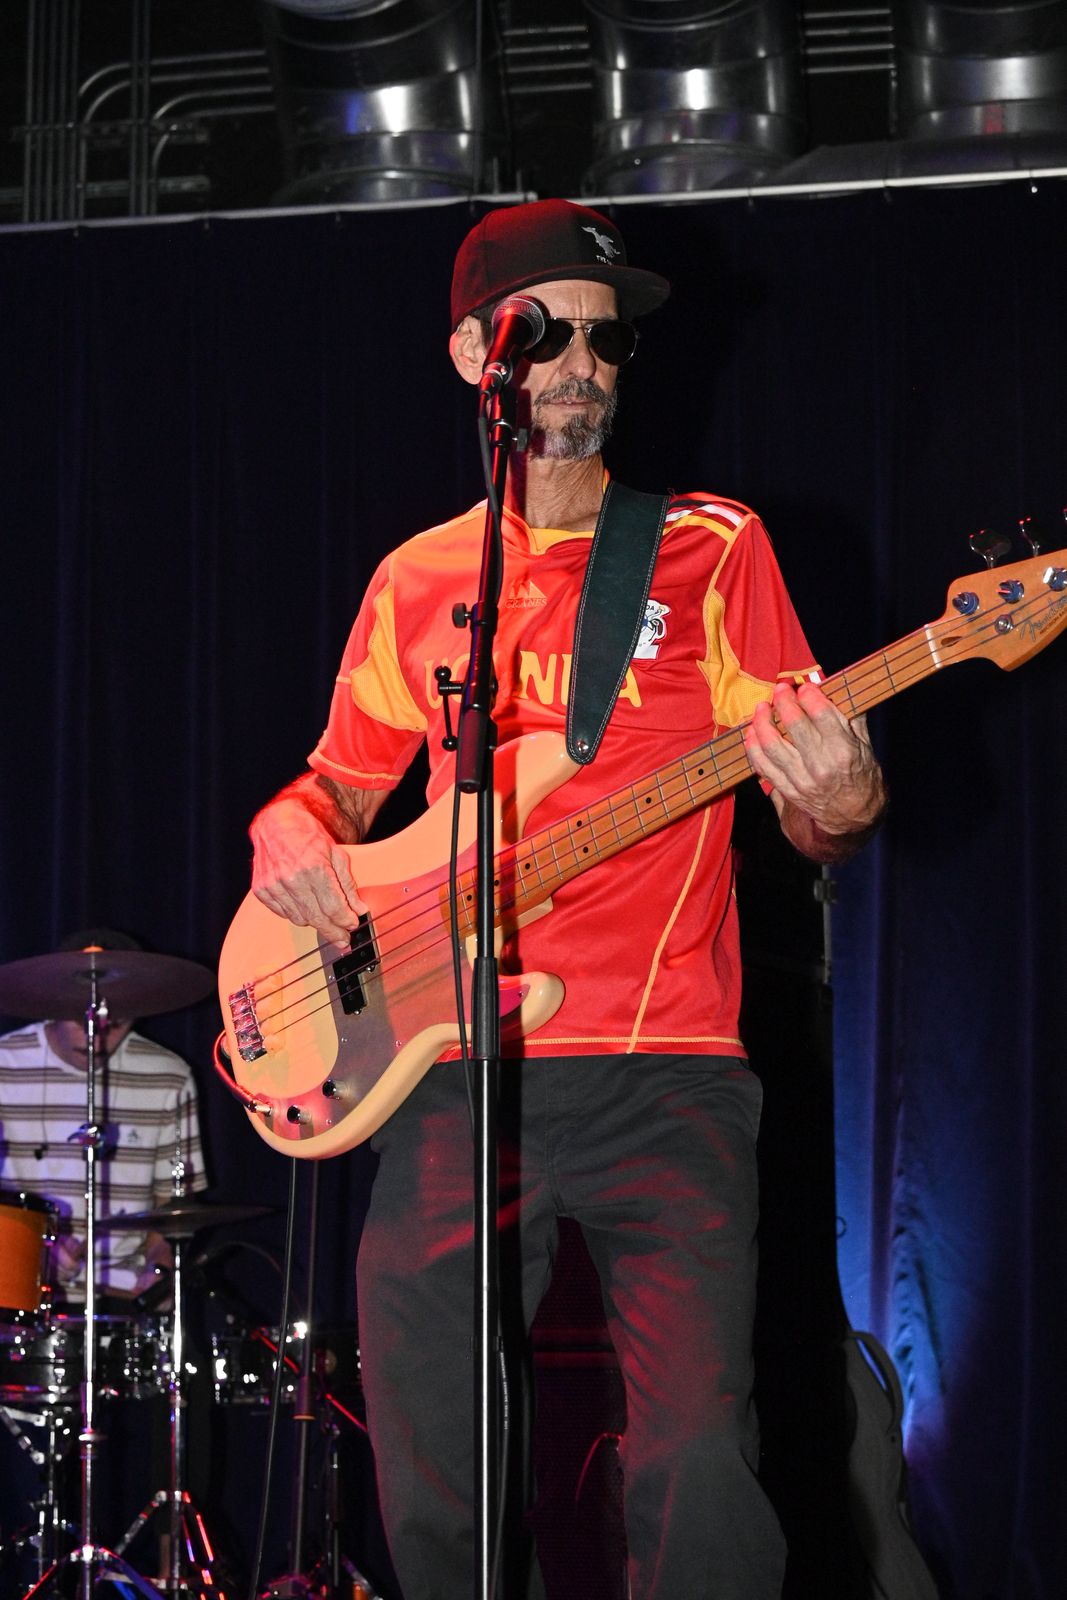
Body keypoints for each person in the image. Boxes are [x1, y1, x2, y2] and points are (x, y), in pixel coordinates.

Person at [247, 199, 887, 1598]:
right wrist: (283, 830)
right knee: (433, 1457)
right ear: (473, 353)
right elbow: (333, 789)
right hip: (453, 1065)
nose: (582, 367)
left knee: (695, 1457)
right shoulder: (418, 578)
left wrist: (836, 800)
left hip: (667, 1068)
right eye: (546, 336)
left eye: (605, 341)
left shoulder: (709, 548)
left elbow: (809, 808)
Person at [0, 928, 207, 1306]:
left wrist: (160, 1271)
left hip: (122, 1299)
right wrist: (32, 1249)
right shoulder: (4, 1065)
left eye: (116, 1021)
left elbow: (174, 1206)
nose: (96, 1036)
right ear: (53, 1004)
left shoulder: (169, 1076)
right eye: (82, 1020)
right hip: (15, 1292)